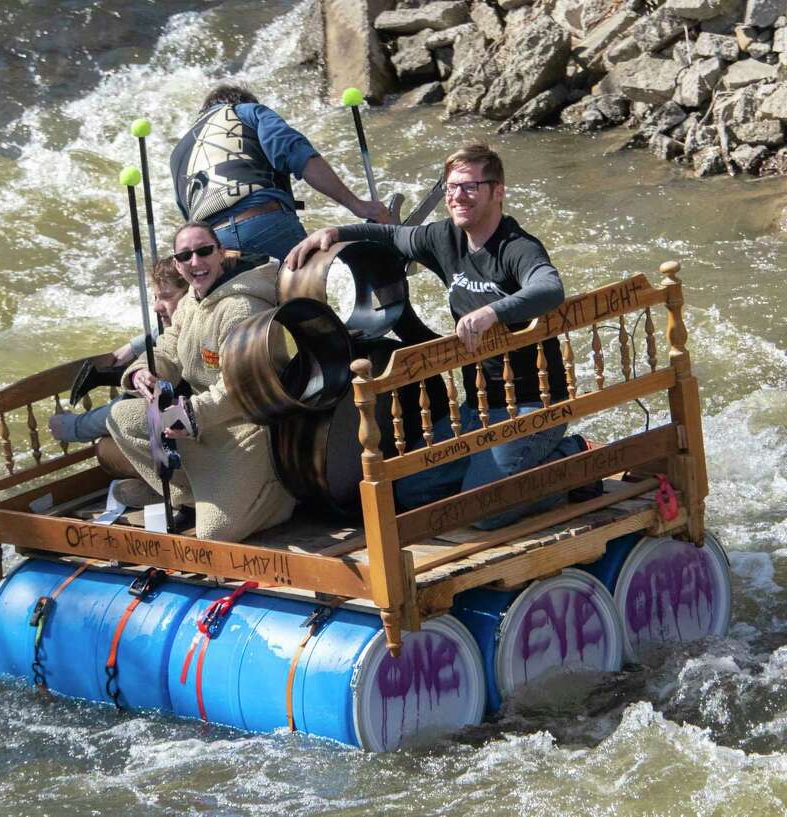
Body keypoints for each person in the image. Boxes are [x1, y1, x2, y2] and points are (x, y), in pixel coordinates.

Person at [285, 141, 587, 528]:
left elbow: (549, 288)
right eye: (451, 188)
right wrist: (333, 232)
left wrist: (492, 313)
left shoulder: (517, 247)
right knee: (411, 491)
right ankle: (492, 471)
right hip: (478, 406)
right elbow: (392, 237)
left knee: (483, 513)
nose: (458, 196)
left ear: (498, 192)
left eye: (470, 187)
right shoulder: (445, 238)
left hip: (534, 405)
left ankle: (570, 456)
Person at [106, 221, 296, 541]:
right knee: (121, 418)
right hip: (200, 424)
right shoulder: (191, 302)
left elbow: (239, 388)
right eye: (186, 255)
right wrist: (143, 370)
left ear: (220, 253)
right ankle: (192, 496)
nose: (196, 262)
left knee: (213, 533)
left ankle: (276, 496)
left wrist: (191, 414)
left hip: (245, 429)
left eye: (204, 251)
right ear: (178, 265)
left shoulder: (241, 308)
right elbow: (168, 348)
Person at [170, 83, 392, 262]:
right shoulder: (246, 111)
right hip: (264, 224)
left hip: (212, 249)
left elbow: (190, 220)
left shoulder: (178, 154)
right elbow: (297, 153)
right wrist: (357, 205)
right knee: (306, 308)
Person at [48, 257, 188, 445]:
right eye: (155, 297)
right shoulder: (182, 318)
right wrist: (133, 347)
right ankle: (100, 378)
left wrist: (77, 427)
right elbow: (167, 330)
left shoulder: (191, 330)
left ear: (191, 295)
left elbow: (131, 407)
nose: (155, 307)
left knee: (106, 447)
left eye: (167, 297)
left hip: (178, 425)